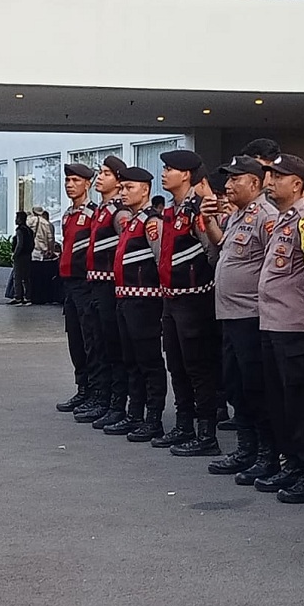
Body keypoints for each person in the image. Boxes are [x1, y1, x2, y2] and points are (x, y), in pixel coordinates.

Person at [253, 154, 304, 499]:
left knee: (302, 403)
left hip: (296, 326)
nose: (270, 182)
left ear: (297, 184)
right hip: (273, 324)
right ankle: (295, 465)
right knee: (280, 400)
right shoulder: (283, 221)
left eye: (278, 177)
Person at [203, 155, 278, 479]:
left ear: (255, 182)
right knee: (235, 385)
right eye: (228, 179)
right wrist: (209, 224)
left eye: (236, 179)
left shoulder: (267, 216)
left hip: (252, 316)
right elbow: (226, 250)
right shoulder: (238, 216)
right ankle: (246, 449)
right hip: (231, 316)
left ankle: (267, 454)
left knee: (255, 388)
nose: (229, 185)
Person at [154, 149, 222, 457]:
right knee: (177, 365)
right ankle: (184, 424)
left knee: (198, 366)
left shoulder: (197, 210)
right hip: (172, 300)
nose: (165, 173)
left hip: (195, 301)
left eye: (170, 169)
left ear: (186, 175)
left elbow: (214, 251)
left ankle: (206, 433)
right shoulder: (172, 210)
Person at [111, 166, 167, 442]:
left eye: (128, 188)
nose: (123, 192)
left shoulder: (151, 222)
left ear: (145, 190)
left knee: (149, 361)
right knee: (131, 359)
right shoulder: (132, 220)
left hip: (144, 300)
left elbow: (160, 259)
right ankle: (135, 414)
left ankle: (153, 418)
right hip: (125, 298)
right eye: (121, 188)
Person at [84, 156, 132, 431]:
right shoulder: (102, 209)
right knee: (98, 343)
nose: (99, 178)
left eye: (106, 173)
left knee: (113, 346)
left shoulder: (119, 212)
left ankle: (117, 403)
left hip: (111, 287)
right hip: (96, 284)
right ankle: (102, 397)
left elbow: (125, 249)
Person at [58, 164, 107, 422]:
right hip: (68, 284)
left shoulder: (93, 214)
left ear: (87, 183)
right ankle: (83, 388)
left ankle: (98, 392)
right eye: (67, 180)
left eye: (75, 180)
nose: (69, 184)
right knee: (75, 340)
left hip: (85, 283)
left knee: (91, 341)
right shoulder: (67, 214)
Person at [29, 206, 59, 304]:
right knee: (43, 277)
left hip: (32, 253)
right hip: (43, 254)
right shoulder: (47, 224)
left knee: (33, 277)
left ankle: (34, 297)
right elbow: (51, 239)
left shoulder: (29, 221)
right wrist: (51, 250)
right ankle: (44, 297)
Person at [10, 211, 34, 305]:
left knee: (18, 277)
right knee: (26, 277)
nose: (15, 220)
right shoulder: (29, 230)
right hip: (28, 255)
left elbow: (19, 244)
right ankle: (28, 297)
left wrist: (15, 254)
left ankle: (18, 297)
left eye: (17, 218)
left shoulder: (20, 230)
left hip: (20, 256)